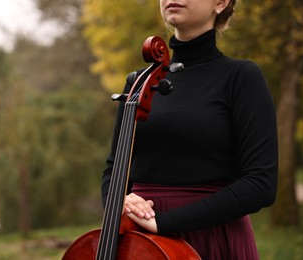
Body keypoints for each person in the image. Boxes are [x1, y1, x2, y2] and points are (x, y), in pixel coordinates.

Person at [101, 0, 278, 259]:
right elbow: (113, 168)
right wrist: (119, 201)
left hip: (210, 237)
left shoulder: (241, 77)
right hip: (139, 241)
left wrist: (167, 222)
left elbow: (260, 183)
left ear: (220, 3)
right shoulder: (138, 82)